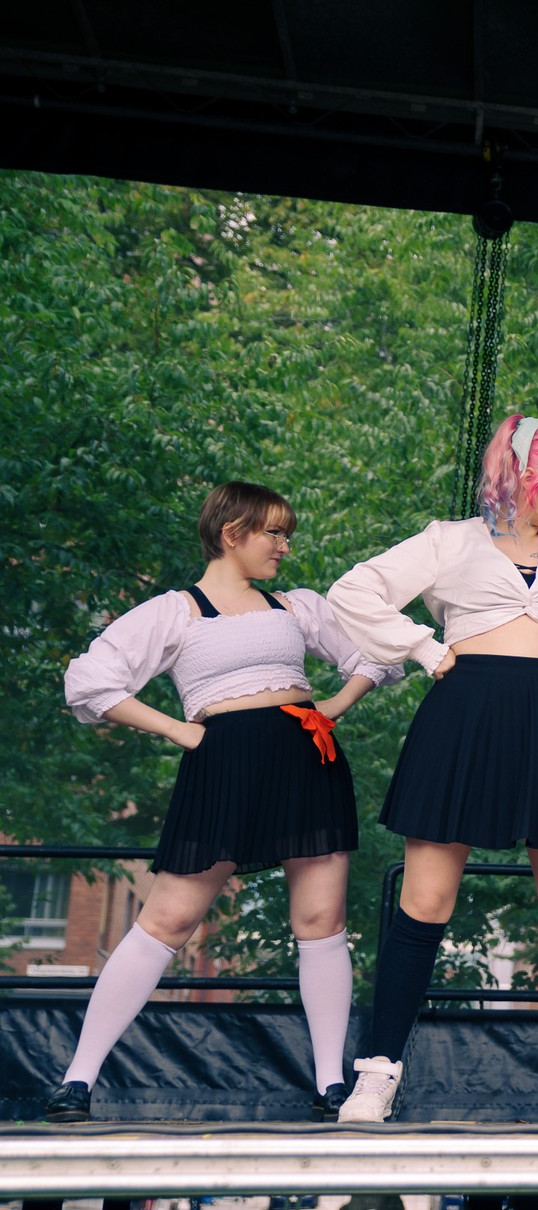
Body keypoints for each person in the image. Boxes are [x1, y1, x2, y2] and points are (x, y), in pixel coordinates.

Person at [326, 414, 538, 1124]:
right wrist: (425, 649)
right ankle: (378, 1074)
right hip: (465, 716)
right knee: (425, 901)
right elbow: (353, 591)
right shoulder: (448, 541)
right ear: (526, 477)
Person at [51, 481, 401, 1122]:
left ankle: (331, 1085)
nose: (284, 546)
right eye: (274, 533)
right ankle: (77, 1080)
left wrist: (334, 705)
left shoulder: (295, 606)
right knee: (167, 920)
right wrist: (177, 729)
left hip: (305, 757)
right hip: (221, 765)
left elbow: (374, 655)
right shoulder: (174, 612)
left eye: (286, 534)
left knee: (321, 920)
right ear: (231, 532)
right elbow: (89, 681)